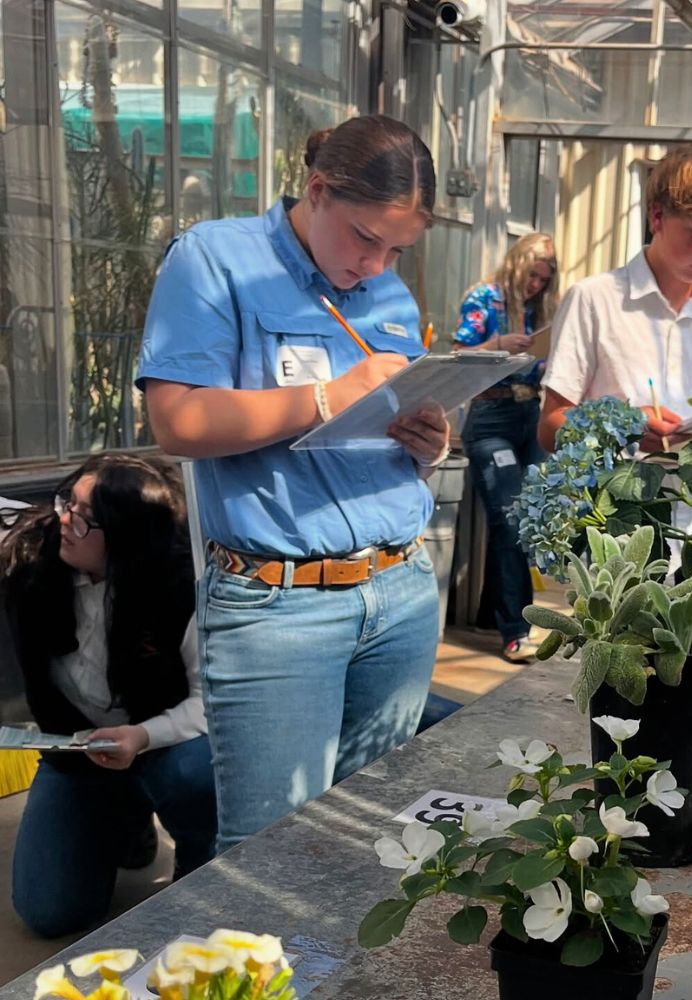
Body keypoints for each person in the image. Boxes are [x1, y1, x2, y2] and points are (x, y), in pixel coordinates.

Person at [137, 114, 448, 851]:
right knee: (269, 858)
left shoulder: (390, 297)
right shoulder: (216, 260)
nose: (377, 265)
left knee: (377, 843)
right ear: (316, 190)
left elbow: (388, 423)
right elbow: (177, 421)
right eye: (366, 238)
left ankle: (345, 972)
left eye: (398, 249)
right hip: (278, 607)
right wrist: (325, 397)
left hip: (400, 590)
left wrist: (429, 442)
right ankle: (272, 968)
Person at [0, 454, 216, 938]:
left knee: (194, 772)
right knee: (48, 911)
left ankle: (202, 859)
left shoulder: (182, 587)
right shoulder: (32, 554)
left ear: (127, 535)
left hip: (163, 744)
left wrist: (142, 736)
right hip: (78, 751)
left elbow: (212, 701)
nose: (64, 520)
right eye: (66, 502)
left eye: (84, 517)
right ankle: (125, 822)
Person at [539, 144, 692, 557]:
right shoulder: (594, 300)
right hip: (615, 542)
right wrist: (626, 427)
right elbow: (549, 427)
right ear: (657, 216)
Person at [453, 233, 559, 662]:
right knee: (511, 517)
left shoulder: (538, 310)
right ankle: (515, 629)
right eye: (532, 275)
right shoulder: (484, 297)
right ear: (517, 265)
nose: (536, 285)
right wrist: (498, 345)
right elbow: (459, 355)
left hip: (528, 413)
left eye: (544, 279)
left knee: (530, 517)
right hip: (491, 414)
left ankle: (493, 611)